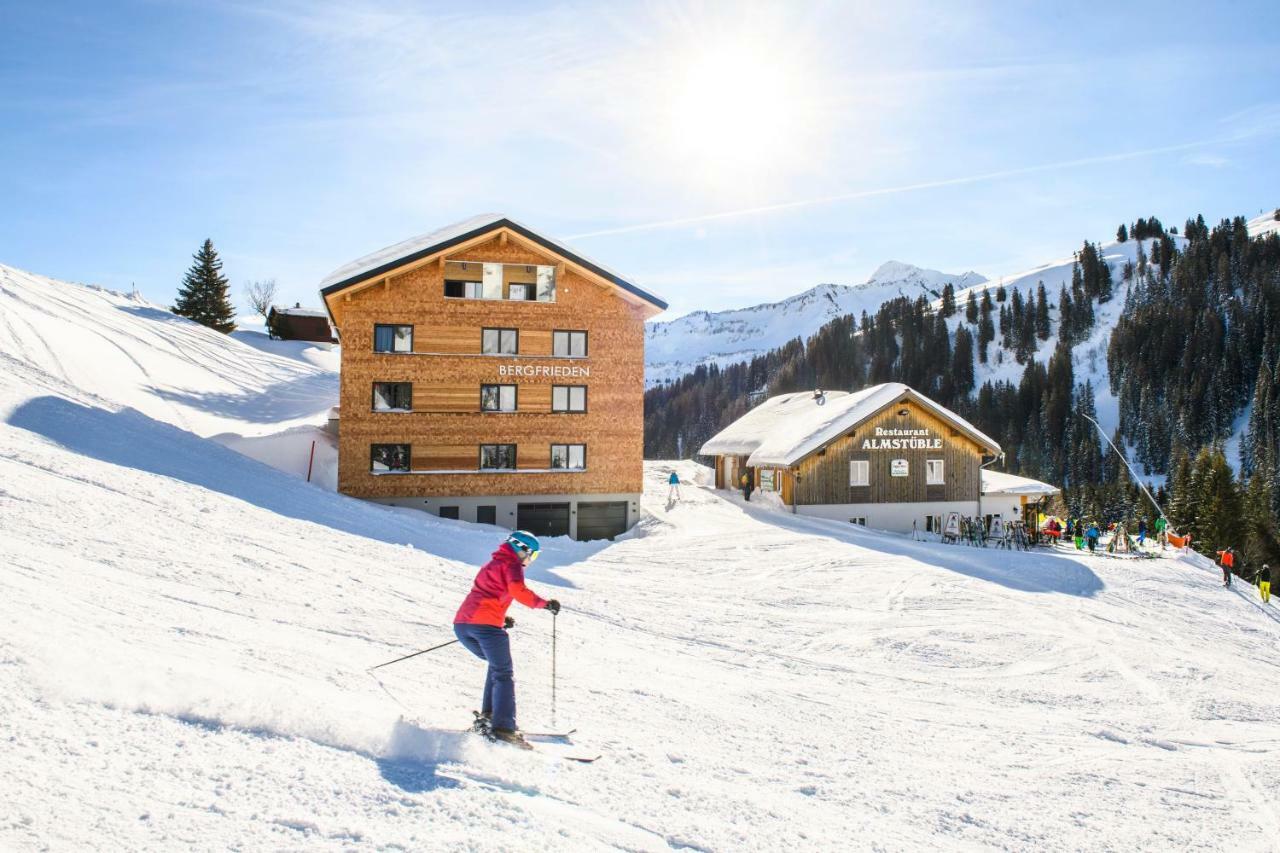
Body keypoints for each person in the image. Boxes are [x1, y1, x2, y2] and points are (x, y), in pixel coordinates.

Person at [454, 531, 560, 748]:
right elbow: (517, 590)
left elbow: (486, 594)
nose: (530, 560)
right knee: (503, 672)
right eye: (532, 555)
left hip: (463, 625)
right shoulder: (512, 565)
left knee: (496, 667)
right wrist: (544, 604)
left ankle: (490, 716)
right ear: (522, 549)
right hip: (485, 627)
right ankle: (504, 728)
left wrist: (501, 618)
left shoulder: (491, 564)